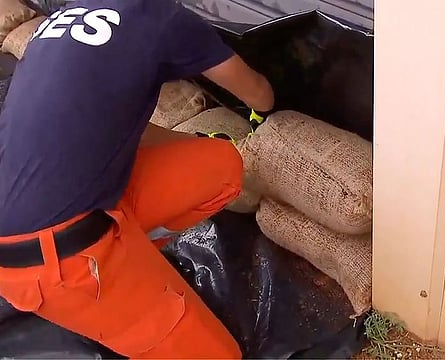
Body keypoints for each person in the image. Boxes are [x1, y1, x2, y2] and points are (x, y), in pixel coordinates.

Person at [0, 0, 274, 358]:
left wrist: (199, 142)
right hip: (56, 261)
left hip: (66, 206)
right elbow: (258, 94)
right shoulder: (163, 18)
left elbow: (124, 127)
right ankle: (120, 288)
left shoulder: (60, 20)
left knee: (219, 166)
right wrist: (268, 108)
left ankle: (133, 254)